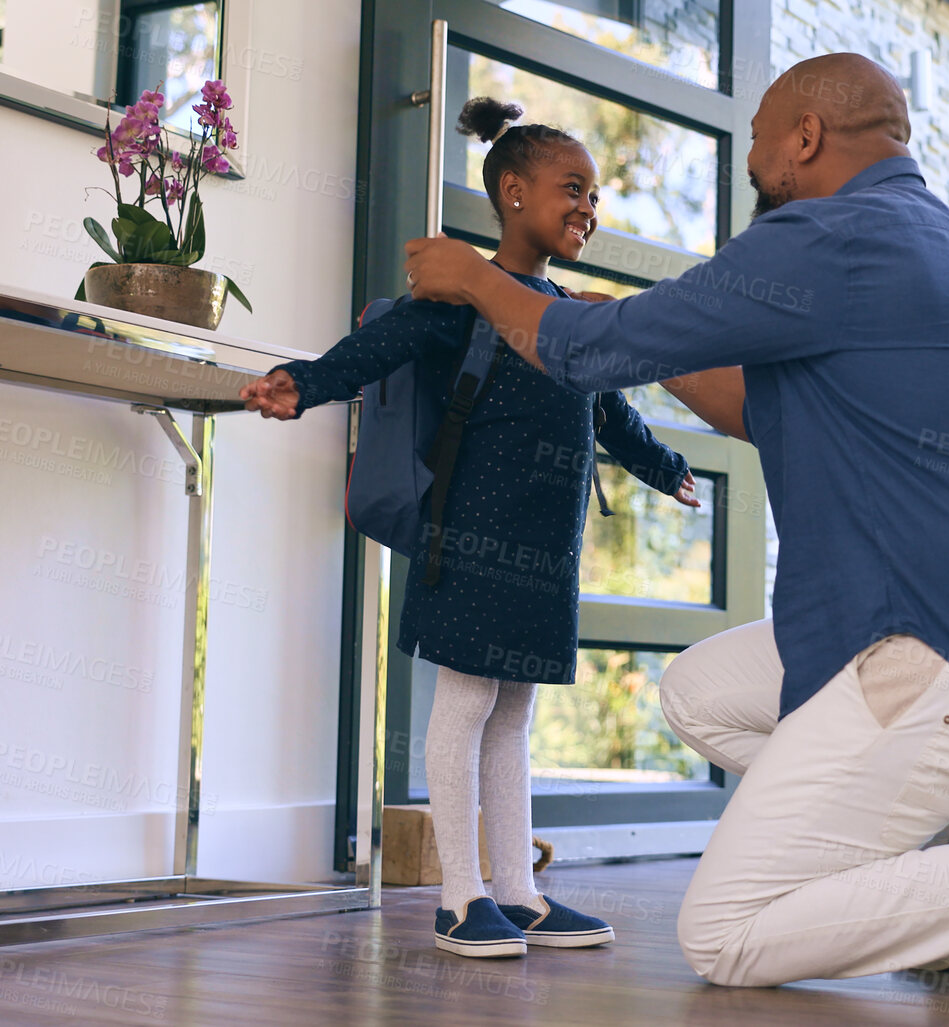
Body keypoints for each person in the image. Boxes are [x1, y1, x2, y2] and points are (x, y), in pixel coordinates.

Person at [399, 54, 949, 1009]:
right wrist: (639, 346)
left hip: (946, 653)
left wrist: (475, 280)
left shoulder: (824, 236)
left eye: (762, 139)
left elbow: (579, 351)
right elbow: (749, 409)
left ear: (804, 138)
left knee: (724, 930)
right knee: (699, 692)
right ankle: (947, 851)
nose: (755, 162)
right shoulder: (924, 238)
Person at [240, 97, 701, 959]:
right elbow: (374, 348)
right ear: (514, 193)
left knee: (514, 709)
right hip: (469, 531)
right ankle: (461, 897)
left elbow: (610, 410)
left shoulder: (565, 311)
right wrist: (301, 383)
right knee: (466, 702)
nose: (587, 208)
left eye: (594, 196)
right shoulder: (463, 295)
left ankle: (519, 891)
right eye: (572, 188)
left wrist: (666, 468)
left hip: (544, 540)